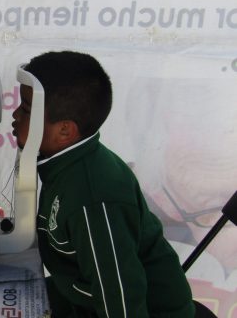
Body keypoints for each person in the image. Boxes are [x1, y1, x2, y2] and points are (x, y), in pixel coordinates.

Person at [11, 51, 195, 317]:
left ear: (64, 131)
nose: (14, 116)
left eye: (26, 109)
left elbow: (120, 297)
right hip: (81, 295)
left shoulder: (92, 196)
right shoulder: (66, 165)